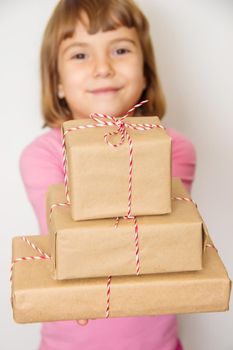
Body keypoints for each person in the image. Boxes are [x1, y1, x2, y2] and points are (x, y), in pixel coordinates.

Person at [20, 0, 196, 349]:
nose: (103, 68)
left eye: (120, 49)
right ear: (57, 83)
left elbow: (160, 243)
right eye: (80, 55)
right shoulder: (42, 155)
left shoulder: (174, 147)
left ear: (146, 73)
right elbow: (67, 245)